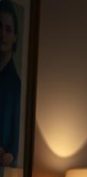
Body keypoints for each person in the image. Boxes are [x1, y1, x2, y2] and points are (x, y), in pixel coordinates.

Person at [0, 0, 21, 168]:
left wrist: (9, 154)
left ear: (14, 37)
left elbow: (16, 141)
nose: (2, 34)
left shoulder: (17, 87)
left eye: (8, 30)